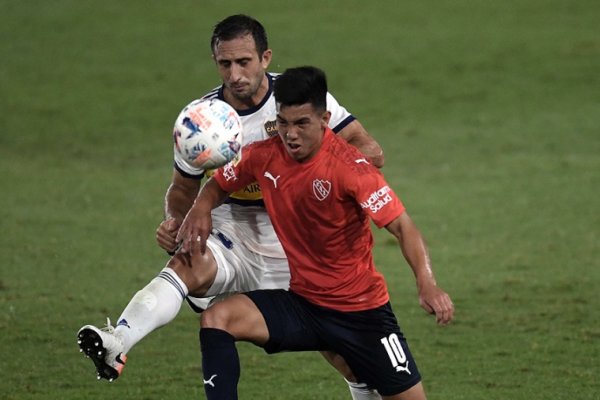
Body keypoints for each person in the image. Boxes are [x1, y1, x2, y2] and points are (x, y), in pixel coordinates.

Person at [77, 14, 385, 399]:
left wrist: (313, 176)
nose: (236, 74)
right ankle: (117, 339)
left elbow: (369, 149)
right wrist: (176, 220)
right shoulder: (199, 121)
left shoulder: (295, 101)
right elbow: (181, 188)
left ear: (266, 58)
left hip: (294, 233)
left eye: (245, 62)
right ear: (215, 62)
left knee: (344, 352)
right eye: (226, 64)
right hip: (231, 225)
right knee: (188, 261)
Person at [176, 66, 454, 399]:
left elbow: (403, 226)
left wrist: (427, 283)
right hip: (304, 305)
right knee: (216, 318)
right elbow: (218, 185)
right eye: (282, 123)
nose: (290, 134)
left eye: (301, 123)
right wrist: (200, 209)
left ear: (324, 119)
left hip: (362, 314)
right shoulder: (264, 155)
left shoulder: (351, 168)